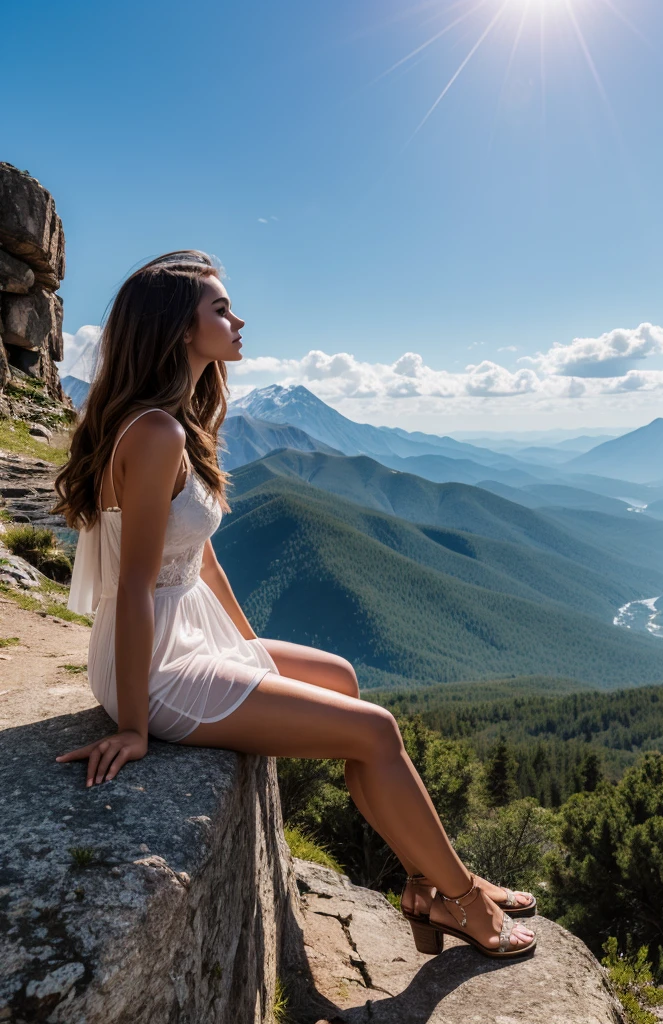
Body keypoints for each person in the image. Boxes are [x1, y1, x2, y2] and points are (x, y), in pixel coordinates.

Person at [53, 250, 536, 959]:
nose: (237, 318)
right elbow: (132, 585)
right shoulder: (156, 433)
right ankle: (457, 897)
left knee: (340, 676)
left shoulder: (173, 419)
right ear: (178, 329)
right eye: (220, 308)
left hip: (190, 634)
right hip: (157, 657)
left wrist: (250, 651)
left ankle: (425, 880)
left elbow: (203, 556)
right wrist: (133, 724)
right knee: (374, 730)